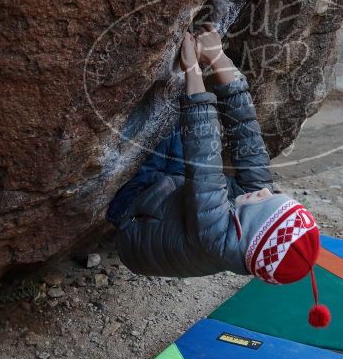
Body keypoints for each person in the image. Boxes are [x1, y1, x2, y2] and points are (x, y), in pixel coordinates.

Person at [106, 26, 330, 328]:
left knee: (169, 117)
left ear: (252, 229)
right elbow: (248, 138)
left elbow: (204, 159)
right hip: (172, 198)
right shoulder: (253, 223)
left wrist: (193, 69)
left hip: (134, 215)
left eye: (267, 201)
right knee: (183, 122)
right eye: (275, 196)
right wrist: (217, 56)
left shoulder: (216, 237)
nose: (265, 192)